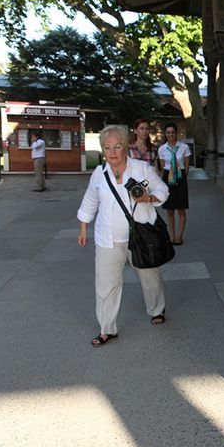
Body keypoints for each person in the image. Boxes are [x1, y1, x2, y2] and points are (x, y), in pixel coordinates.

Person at [77, 125, 169, 346]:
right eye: (107, 148)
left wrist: (147, 199)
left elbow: (163, 191)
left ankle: (157, 309)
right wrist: (83, 226)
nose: (112, 152)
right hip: (107, 238)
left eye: (117, 146)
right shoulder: (99, 174)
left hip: (140, 236)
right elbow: (90, 200)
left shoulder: (142, 168)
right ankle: (107, 328)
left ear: (126, 145)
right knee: (106, 285)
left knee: (150, 279)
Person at [158, 122, 191, 245]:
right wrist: (168, 176)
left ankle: (179, 236)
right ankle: (171, 236)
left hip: (180, 177)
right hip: (168, 177)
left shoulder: (184, 147)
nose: (170, 135)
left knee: (181, 209)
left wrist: (181, 176)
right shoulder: (162, 149)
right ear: (165, 134)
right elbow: (162, 167)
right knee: (170, 210)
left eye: (172, 132)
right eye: (168, 133)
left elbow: (187, 165)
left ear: (176, 133)